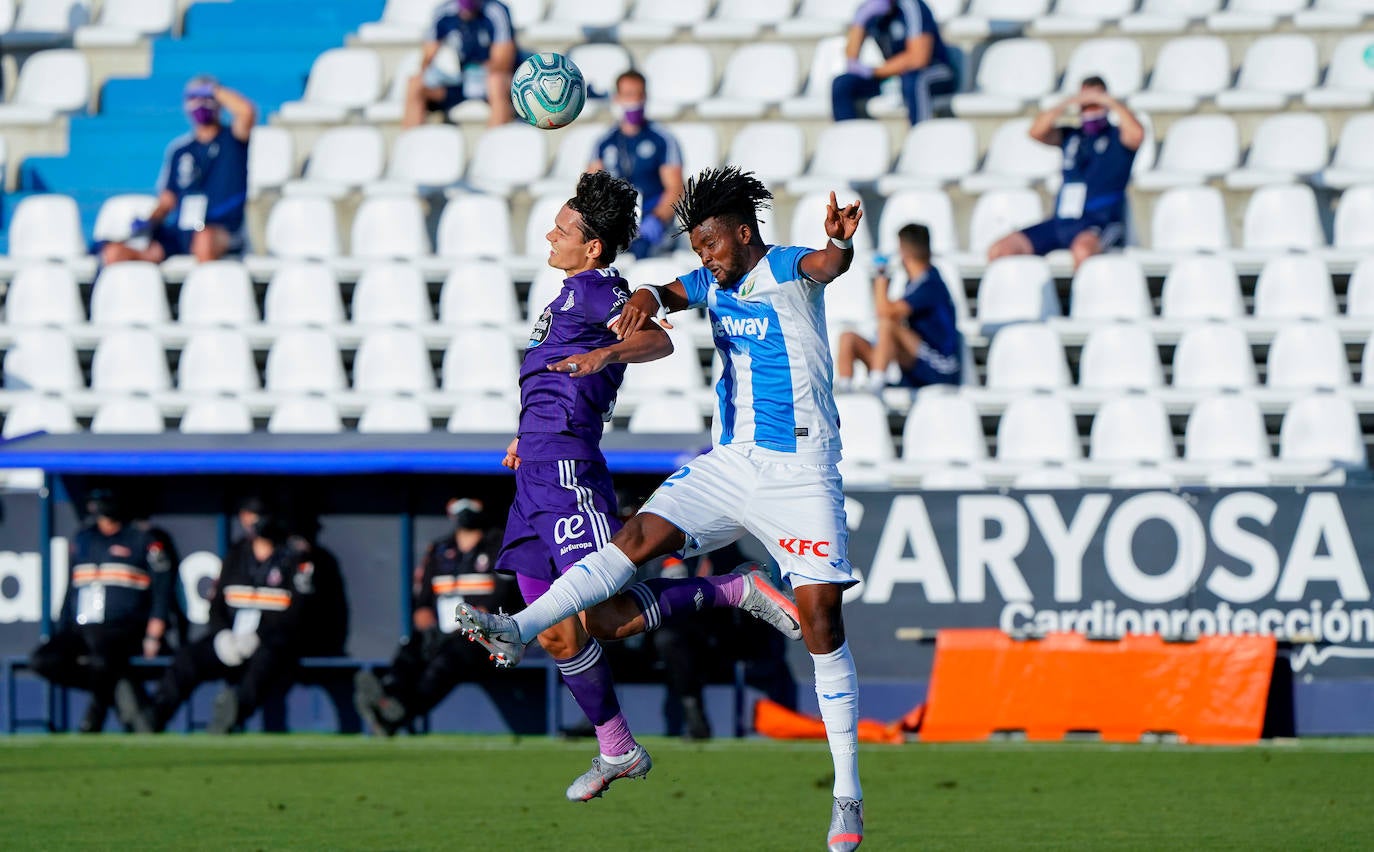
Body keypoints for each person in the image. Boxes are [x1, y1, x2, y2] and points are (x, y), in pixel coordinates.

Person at [459, 167, 868, 851]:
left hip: (802, 469)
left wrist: (840, 243)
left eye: (712, 244)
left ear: (744, 234)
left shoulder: (789, 266)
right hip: (730, 461)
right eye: (698, 246)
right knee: (633, 541)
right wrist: (649, 294)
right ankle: (522, 630)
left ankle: (847, 795)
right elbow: (665, 294)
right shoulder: (709, 279)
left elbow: (828, 265)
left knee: (823, 622)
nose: (705, 257)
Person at [136, 502, 317, 734]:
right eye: (251, 515)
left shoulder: (293, 555)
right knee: (188, 658)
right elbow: (217, 605)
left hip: (270, 640)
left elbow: (297, 612)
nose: (256, 522)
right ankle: (155, 715)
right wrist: (222, 633)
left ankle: (231, 714)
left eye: (261, 515)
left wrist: (258, 636)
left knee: (264, 662)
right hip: (231, 637)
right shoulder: (237, 554)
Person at [353, 498, 520, 735]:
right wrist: (426, 620)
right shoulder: (439, 550)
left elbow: (501, 599)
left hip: (481, 638)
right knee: (411, 649)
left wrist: (474, 622)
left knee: (445, 663)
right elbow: (422, 603)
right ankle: (388, 697)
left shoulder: (497, 547)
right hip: (441, 630)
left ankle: (398, 711)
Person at [30, 489, 175, 733]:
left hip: (123, 629)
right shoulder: (84, 539)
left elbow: (162, 591)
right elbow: (71, 589)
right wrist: (62, 626)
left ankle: (96, 711)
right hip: (83, 627)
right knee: (43, 660)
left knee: (103, 658)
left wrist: (154, 632)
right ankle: (114, 689)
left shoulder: (141, 539)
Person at [987, 75, 1144, 270]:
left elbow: (1137, 134)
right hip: (1062, 221)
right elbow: (1036, 131)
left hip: (1099, 220)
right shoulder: (1072, 136)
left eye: (1094, 103)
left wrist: (1109, 101)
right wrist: (1068, 102)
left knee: (1083, 251)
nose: (1089, 109)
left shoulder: (1118, 137)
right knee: (1000, 250)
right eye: (1085, 104)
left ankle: (1084, 291)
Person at [100, 75, 254, 265]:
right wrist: (150, 221)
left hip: (223, 229)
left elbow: (246, 112)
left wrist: (214, 90)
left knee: (204, 240)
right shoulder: (180, 151)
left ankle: (205, 284)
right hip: (183, 230)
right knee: (115, 253)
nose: (200, 104)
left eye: (206, 98)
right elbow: (168, 199)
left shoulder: (233, 140)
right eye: (194, 98)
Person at [836, 223, 961, 393]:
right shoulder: (915, 283)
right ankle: (844, 390)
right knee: (848, 338)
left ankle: (876, 384)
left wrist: (881, 275)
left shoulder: (930, 284)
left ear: (903, 251)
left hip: (940, 369)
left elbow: (885, 312)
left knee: (887, 325)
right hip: (917, 365)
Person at [587, 70, 685, 260]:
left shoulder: (662, 139)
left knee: (644, 253)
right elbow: (590, 189)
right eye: (628, 95)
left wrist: (657, 219)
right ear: (617, 98)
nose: (635, 101)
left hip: (651, 223)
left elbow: (675, 188)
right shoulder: (604, 142)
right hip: (616, 224)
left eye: (639, 95)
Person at [832, 0, 955, 126]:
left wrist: (874, 72)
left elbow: (918, 59)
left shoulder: (912, 6)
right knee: (842, 84)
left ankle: (920, 135)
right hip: (895, 75)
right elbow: (851, 57)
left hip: (934, 71)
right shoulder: (869, 10)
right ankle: (848, 136)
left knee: (914, 80)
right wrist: (860, 21)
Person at [403, 0, 517, 128]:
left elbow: (503, 62)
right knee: (415, 84)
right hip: (456, 83)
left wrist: (476, 71)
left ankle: (495, 138)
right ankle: (411, 139)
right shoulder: (443, 12)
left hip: (485, 81)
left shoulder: (496, 11)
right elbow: (427, 59)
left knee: (496, 82)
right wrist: (445, 69)